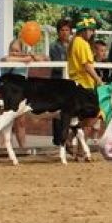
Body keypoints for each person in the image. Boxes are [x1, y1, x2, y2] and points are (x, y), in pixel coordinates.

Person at [67, 17, 102, 144]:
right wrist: (98, 79)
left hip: (77, 84)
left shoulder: (74, 42)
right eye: (89, 30)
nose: (91, 33)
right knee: (93, 117)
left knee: (86, 118)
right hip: (85, 85)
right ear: (83, 30)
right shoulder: (82, 44)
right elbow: (87, 66)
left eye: (92, 30)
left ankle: (72, 141)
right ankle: (77, 145)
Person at [49, 18, 73, 147]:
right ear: (58, 32)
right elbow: (57, 66)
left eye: (67, 30)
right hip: (58, 81)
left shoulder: (74, 44)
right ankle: (58, 139)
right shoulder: (54, 46)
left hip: (70, 82)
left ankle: (67, 138)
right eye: (62, 30)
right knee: (57, 111)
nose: (64, 32)